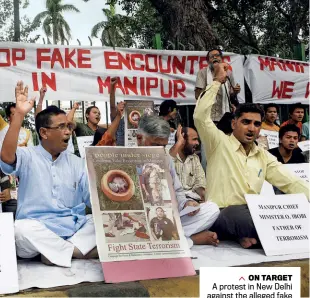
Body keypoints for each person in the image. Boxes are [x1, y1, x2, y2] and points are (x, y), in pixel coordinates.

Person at [193, 63, 309, 249]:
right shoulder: (218, 143)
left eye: (256, 124)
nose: (251, 128)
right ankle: (253, 236)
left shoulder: (262, 155)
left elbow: (291, 182)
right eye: (246, 122)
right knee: (244, 218)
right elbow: (200, 117)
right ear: (233, 124)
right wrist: (216, 81)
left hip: (254, 211)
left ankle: (248, 238)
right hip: (223, 212)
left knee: (287, 213)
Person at [0, 81, 97, 267]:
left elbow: (91, 200)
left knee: (101, 221)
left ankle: (58, 253)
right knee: (20, 229)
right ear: (43, 133)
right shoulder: (27, 156)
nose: (68, 132)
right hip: (38, 229)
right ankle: (77, 252)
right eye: (62, 127)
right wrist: (19, 114)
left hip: (73, 229)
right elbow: (5, 157)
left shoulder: (77, 163)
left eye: (69, 127)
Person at [136, 115, 220, 246]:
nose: (159, 150)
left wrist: (186, 204)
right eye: (155, 145)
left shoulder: (166, 159)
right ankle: (189, 240)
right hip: (140, 219)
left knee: (212, 209)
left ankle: (167, 240)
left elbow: (178, 191)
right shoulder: (123, 158)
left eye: (163, 146)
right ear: (139, 138)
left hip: (167, 218)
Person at [195, 48, 241, 122]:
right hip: (208, 117)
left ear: (221, 59)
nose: (215, 58)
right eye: (212, 57)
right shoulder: (202, 73)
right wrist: (216, 83)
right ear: (207, 61)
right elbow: (197, 96)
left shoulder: (228, 73)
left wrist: (235, 91)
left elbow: (231, 94)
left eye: (217, 55)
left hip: (225, 116)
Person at [169, 126, 206, 202]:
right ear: (183, 140)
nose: (197, 143)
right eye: (194, 139)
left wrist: (203, 196)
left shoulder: (194, 158)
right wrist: (179, 143)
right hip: (174, 200)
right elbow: (168, 164)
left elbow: (200, 183)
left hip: (192, 200)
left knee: (213, 207)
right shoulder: (168, 155)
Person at [110, 77, 125, 146]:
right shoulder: (115, 118)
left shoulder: (132, 117)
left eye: (123, 103)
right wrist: (112, 87)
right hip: (119, 149)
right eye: (119, 103)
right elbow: (112, 106)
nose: (122, 105)